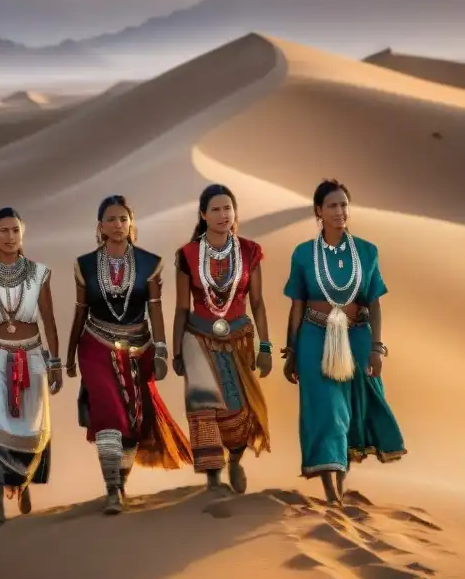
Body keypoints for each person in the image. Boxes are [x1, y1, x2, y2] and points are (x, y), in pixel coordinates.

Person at [65, 195, 193, 514]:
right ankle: (112, 490)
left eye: (124, 219)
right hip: (95, 345)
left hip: (140, 348)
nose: (118, 225)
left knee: (135, 421)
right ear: (100, 226)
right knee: (110, 414)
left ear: (131, 223)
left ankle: (120, 482)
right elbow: (80, 310)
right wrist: (68, 355)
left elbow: (155, 309)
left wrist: (162, 350)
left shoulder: (149, 263)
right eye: (111, 219)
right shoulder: (85, 265)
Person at [282, 179, 406, 505]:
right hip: (314, 338)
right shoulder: (303, 254)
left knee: (352, 413)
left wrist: (378, 348)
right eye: (332, 206)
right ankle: (332, 493)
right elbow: (296, 304)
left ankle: (340, 479)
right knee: (327, 410)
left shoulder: (367, 252)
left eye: (344, 205)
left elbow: (375, 303)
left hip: (357, 338)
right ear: (318, 211)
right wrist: (291, 351)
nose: (340, 212)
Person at [0, 207, 63, 527]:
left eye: (15, 230)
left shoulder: (39, 273)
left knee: (28, 432)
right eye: (3, 231)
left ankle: (24, 480)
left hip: (31, 357)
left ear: (23, 234)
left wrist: (55, 362)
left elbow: (49, 320)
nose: (10, 236)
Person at [172, 183, 272, 493]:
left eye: (227, 208)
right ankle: (213, 479)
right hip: (197, 339)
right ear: (203, 214)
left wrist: (265, 347)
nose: (222, 214)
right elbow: (180, 307)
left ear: (235, 212)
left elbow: (257, 302)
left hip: (239, 340)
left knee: (237, 410)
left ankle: (235, 460)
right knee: (203, 407)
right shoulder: (187, 255)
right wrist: (176, 351)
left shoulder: (249, 251)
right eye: (215, 209)